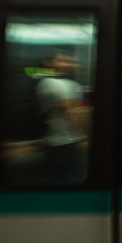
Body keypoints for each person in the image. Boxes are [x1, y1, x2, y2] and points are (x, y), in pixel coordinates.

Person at [36, 49, 88, 182]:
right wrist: (81, 138)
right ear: (50, 63)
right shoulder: (50, 83)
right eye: (63, 61)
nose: (69, 65)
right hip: (59, 143)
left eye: (71, 62)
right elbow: (70, 111)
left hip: (71, 141)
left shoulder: (73, 84)